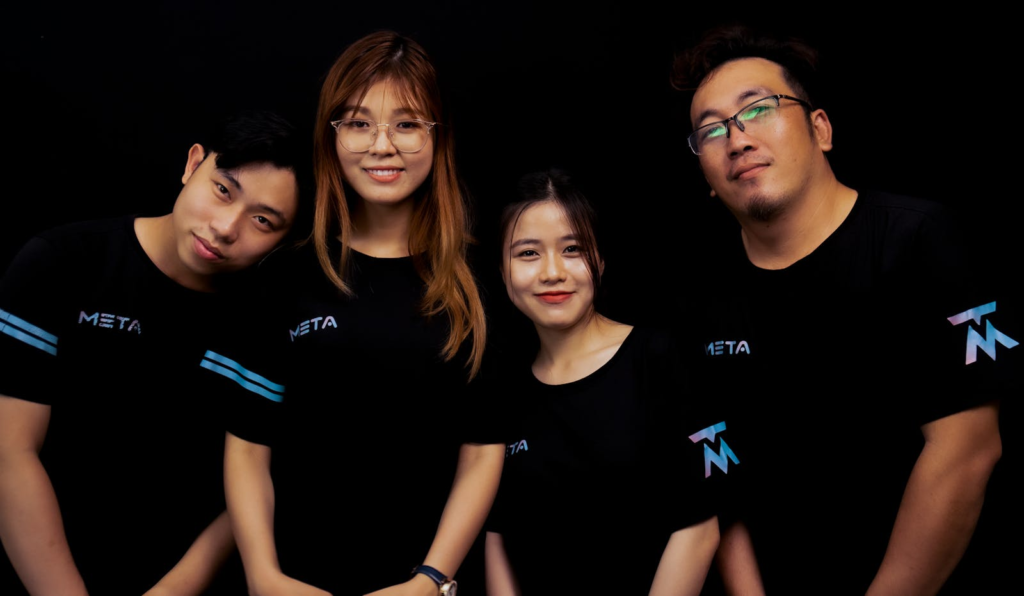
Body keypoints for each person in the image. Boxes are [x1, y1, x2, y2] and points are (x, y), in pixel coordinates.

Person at [672, 24, 1016, 595]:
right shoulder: (700, 297)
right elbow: (718, 474)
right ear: (706, 177)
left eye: (757, 109)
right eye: (710, 130)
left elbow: (967, 449)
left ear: (820, 128)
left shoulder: (919, 239)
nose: (736, 138)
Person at [206, 31, 504, 596]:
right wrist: (264, 577)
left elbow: (483, 449)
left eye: (408, 123)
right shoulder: (285, 275)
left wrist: (430, 580)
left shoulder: (475, 281)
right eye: (359, 122)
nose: (382, 145)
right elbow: (247, 447)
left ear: (438, 137)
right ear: (332, 135)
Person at [0, 109, 303, 595]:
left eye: (263, 220)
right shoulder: (62, 262)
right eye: (223, 190)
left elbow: (256, 480)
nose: (226, 227)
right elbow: (9, 453)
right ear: (192, 164)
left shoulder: (268, 321)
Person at [484, 169, 724, 596]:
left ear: (600, 258)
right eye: (527, 253)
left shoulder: (662, 357)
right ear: (501, 271)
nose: (552, 272)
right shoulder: (502, 388)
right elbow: (497, 531)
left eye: (572, 249)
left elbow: (701, 526)